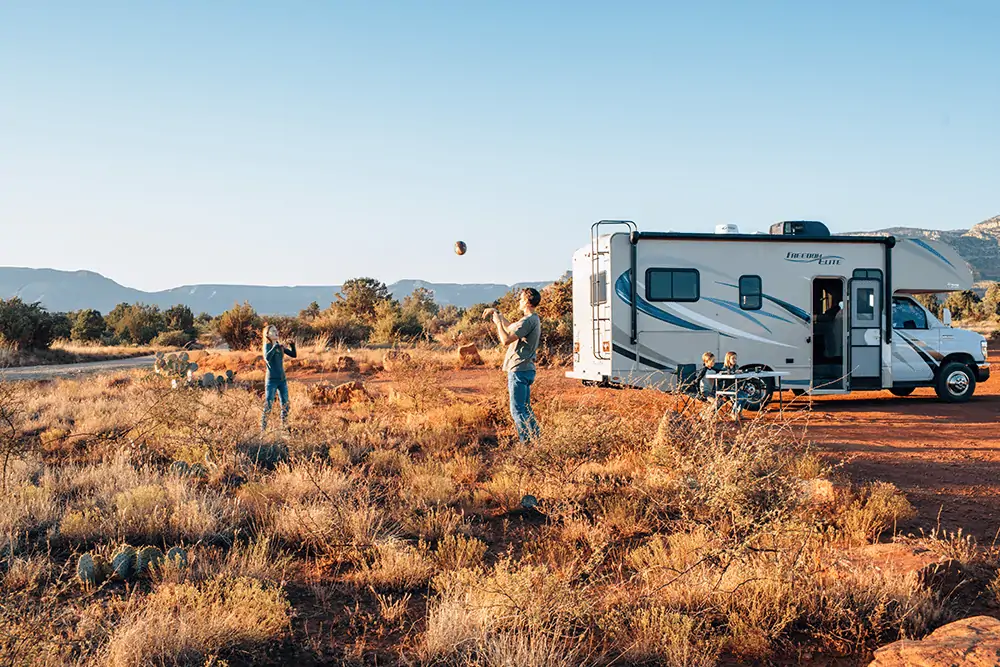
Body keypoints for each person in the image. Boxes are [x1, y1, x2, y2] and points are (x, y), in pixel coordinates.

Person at [483, 288, 542, 442]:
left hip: (518, 370)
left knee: (517, 410)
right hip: (526, 369)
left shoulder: (527, 320)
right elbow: (513, 329)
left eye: (521, 299)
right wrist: (499, 316)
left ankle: (526, 443)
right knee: (526, 409)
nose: (519, 301)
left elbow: (506, 340)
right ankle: (537, 441)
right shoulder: (533, 319)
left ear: (527, 301)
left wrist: (497, 324)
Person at [261, 324, 297, 432]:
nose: (276, 332)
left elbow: (293, 355)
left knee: (285, 405)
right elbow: (267, 358)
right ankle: (263, 430)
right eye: (273, 331)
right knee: (269, 405)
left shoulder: (279, 346)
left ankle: (284, 428)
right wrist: (274, 347)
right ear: (267, 334)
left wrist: (292, 345)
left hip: (282, 380)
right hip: (271, 380)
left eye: (276, 330)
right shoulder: (267, 346)